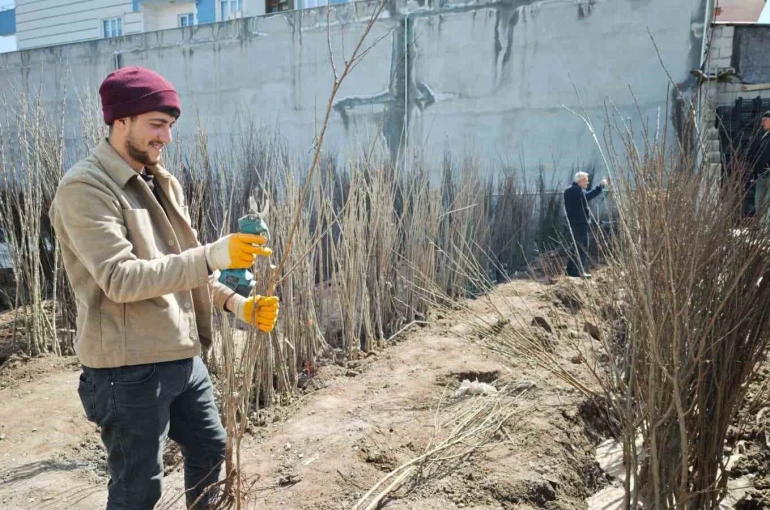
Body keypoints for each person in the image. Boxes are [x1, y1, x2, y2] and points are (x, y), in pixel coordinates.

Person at [49, 66, 280, 510]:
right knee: (138, 490)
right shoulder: (85, 187)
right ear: (120, 121)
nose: (166, 138)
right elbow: (120, 278)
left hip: (182, 352)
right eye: (156, 124)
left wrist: (238, 304)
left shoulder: (162, 181)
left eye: (170, 126)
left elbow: (185, 270)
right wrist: (213, 254)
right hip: (128, 368)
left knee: (211, 452)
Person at [563, 172, 607, 278]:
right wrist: (601, 186)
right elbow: (588, 196)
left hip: (575, 222)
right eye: (586, 180)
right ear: (580, 180)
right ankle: (579, 271)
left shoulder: (571, 190)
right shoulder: (575, 190)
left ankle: (570, 271)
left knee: (576, 246)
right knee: (582, 247)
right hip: (579, 223)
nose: (588, 182)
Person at [748, 111, 770, 221]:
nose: (762, 123)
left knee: (767, 205)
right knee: (759, 204)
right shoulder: (764, 136)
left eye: (764, 121)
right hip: (761, 174)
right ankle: (762, 229)